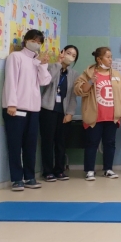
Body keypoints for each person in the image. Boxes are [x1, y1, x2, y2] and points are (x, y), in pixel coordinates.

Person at [2, 29, 51, 191]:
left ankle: (30, 177)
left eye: (39, 42)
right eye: (33, 41)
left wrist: (43, 65)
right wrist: (11, 103)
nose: (36, 44)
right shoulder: (16, 57)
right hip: (15, 108)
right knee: (15, 144)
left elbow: (44, 82)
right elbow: (11, 80)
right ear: (26, 40)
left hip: (33, 109)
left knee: (30, 144)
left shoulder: (37, 61)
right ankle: (17, 179)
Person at [74, 47, 121, 181]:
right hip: (94, 116)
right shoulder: (88, 73)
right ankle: (89, 170)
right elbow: (79, 90)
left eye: (111, 57)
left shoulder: (116, 74)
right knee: (92, 143)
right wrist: (90, 81)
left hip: (112, 116)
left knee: (110, 143)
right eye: (108, 57)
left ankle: (108, 169)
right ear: (99, 59)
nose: (111, 60)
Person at [39, 45, 79, 182]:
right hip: (48, 110)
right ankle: (47, 171)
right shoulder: (51, 67)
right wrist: (58, 63)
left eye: (73, 56)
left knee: (61, 142)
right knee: (47, 141)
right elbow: (47, 81)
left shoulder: (74, 74)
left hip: (63, 112)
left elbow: (73, 96)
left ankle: (59, 170)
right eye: (68, 53)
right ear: (62, 52)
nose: (70, 56)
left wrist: (70, 113)